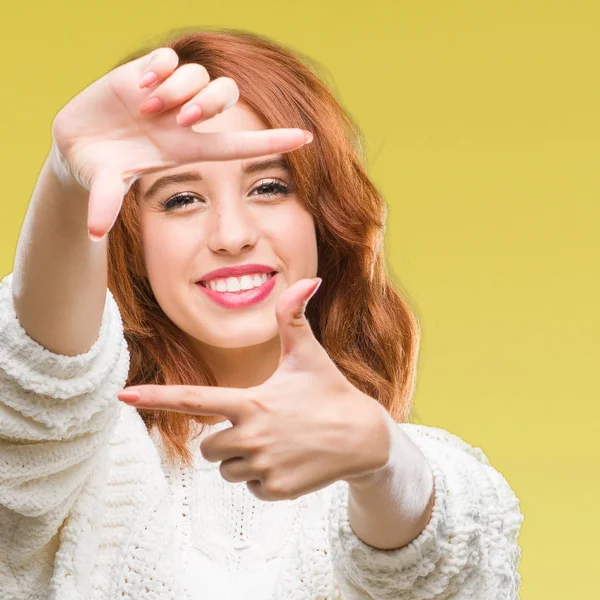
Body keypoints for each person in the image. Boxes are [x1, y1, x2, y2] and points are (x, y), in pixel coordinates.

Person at [0, 28, 524, 600]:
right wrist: (66, 177)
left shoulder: (430, 479)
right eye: (181, 198)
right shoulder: (71, 463)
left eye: (270, 187)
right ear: (135, 241)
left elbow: (441, 566)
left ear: (325, 221)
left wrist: (381, 461)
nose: (231, 235)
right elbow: (34, 390)